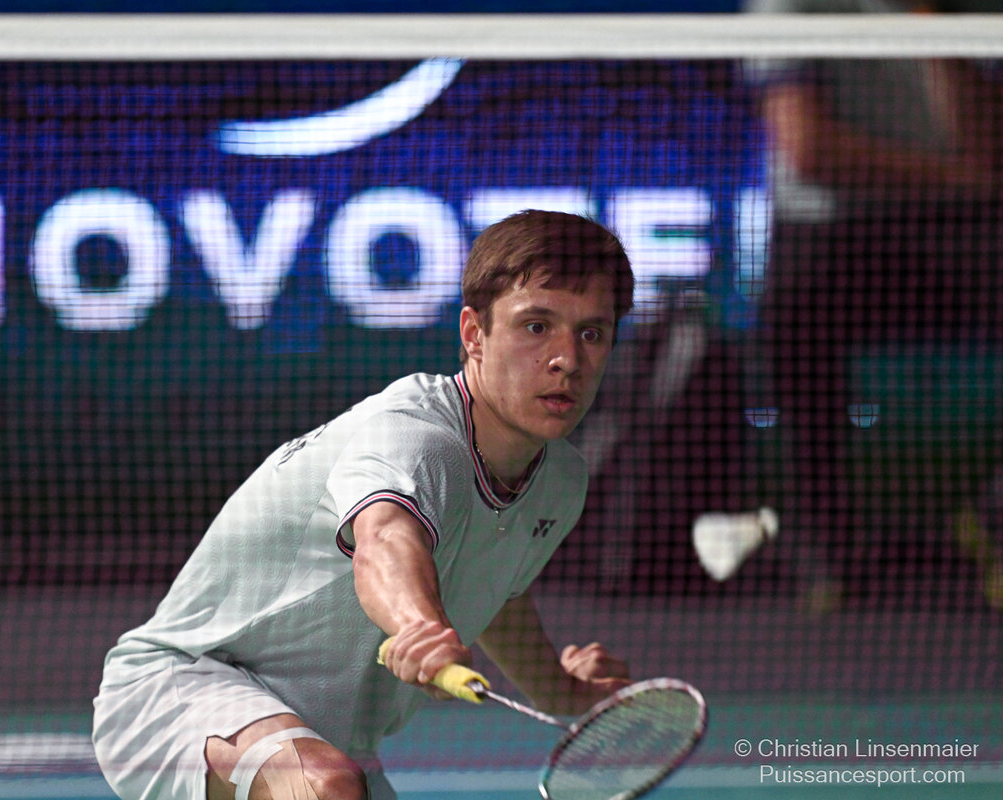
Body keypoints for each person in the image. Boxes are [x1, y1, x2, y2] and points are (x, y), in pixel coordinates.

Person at [92, 209, 636, 800]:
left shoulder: (560, 481)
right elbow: (384, 540)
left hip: (329, 738)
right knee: (326, 787)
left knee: (332, 780)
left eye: (591, 333)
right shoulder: (415, 434)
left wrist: (562, 691)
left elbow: (496, 590)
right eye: (536, 326)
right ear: (474, 334)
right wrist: (419, 625)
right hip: (182, 686)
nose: (567, 359)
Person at [743, 0, 1003, 609]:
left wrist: (933, 26)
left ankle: (994, 516)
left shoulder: (972, 9)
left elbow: (985, 147)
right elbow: (810, 150)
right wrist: (956, 176)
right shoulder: (790, 6)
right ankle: (825, 546)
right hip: (829, 232)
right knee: (794, 321)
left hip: (954, 228)